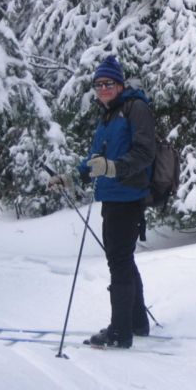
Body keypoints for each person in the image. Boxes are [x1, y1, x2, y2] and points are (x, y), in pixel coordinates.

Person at [47, 55, 156, 348]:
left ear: (120, 84)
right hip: (111, 195)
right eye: (98, 84)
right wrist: (72, 177)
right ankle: (136, 322)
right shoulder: (108, 115)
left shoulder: (136, 108)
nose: (103, 88)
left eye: (109, 83)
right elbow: (96, 158)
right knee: (123, 258)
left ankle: (120, 332)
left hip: (128, 194)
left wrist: (113, 167)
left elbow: (146, 152)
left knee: (118, 261)